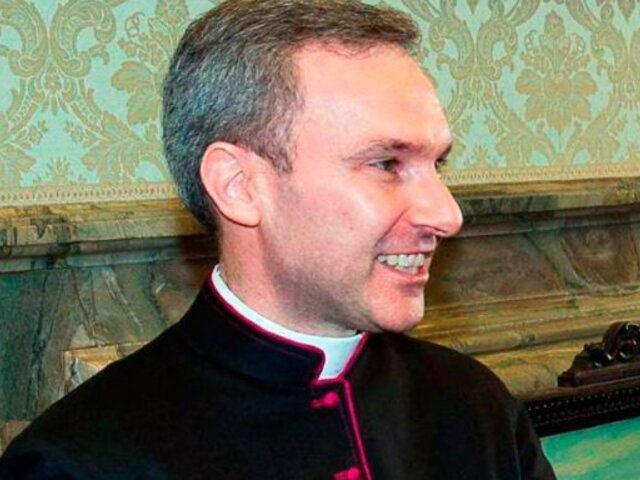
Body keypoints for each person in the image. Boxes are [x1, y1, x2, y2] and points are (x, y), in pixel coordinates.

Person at [0, 0, 556, 478]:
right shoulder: (78, 464)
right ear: (239, 187)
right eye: (387, 164)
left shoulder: (475, 408)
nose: (447, 214)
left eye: (438, 165)